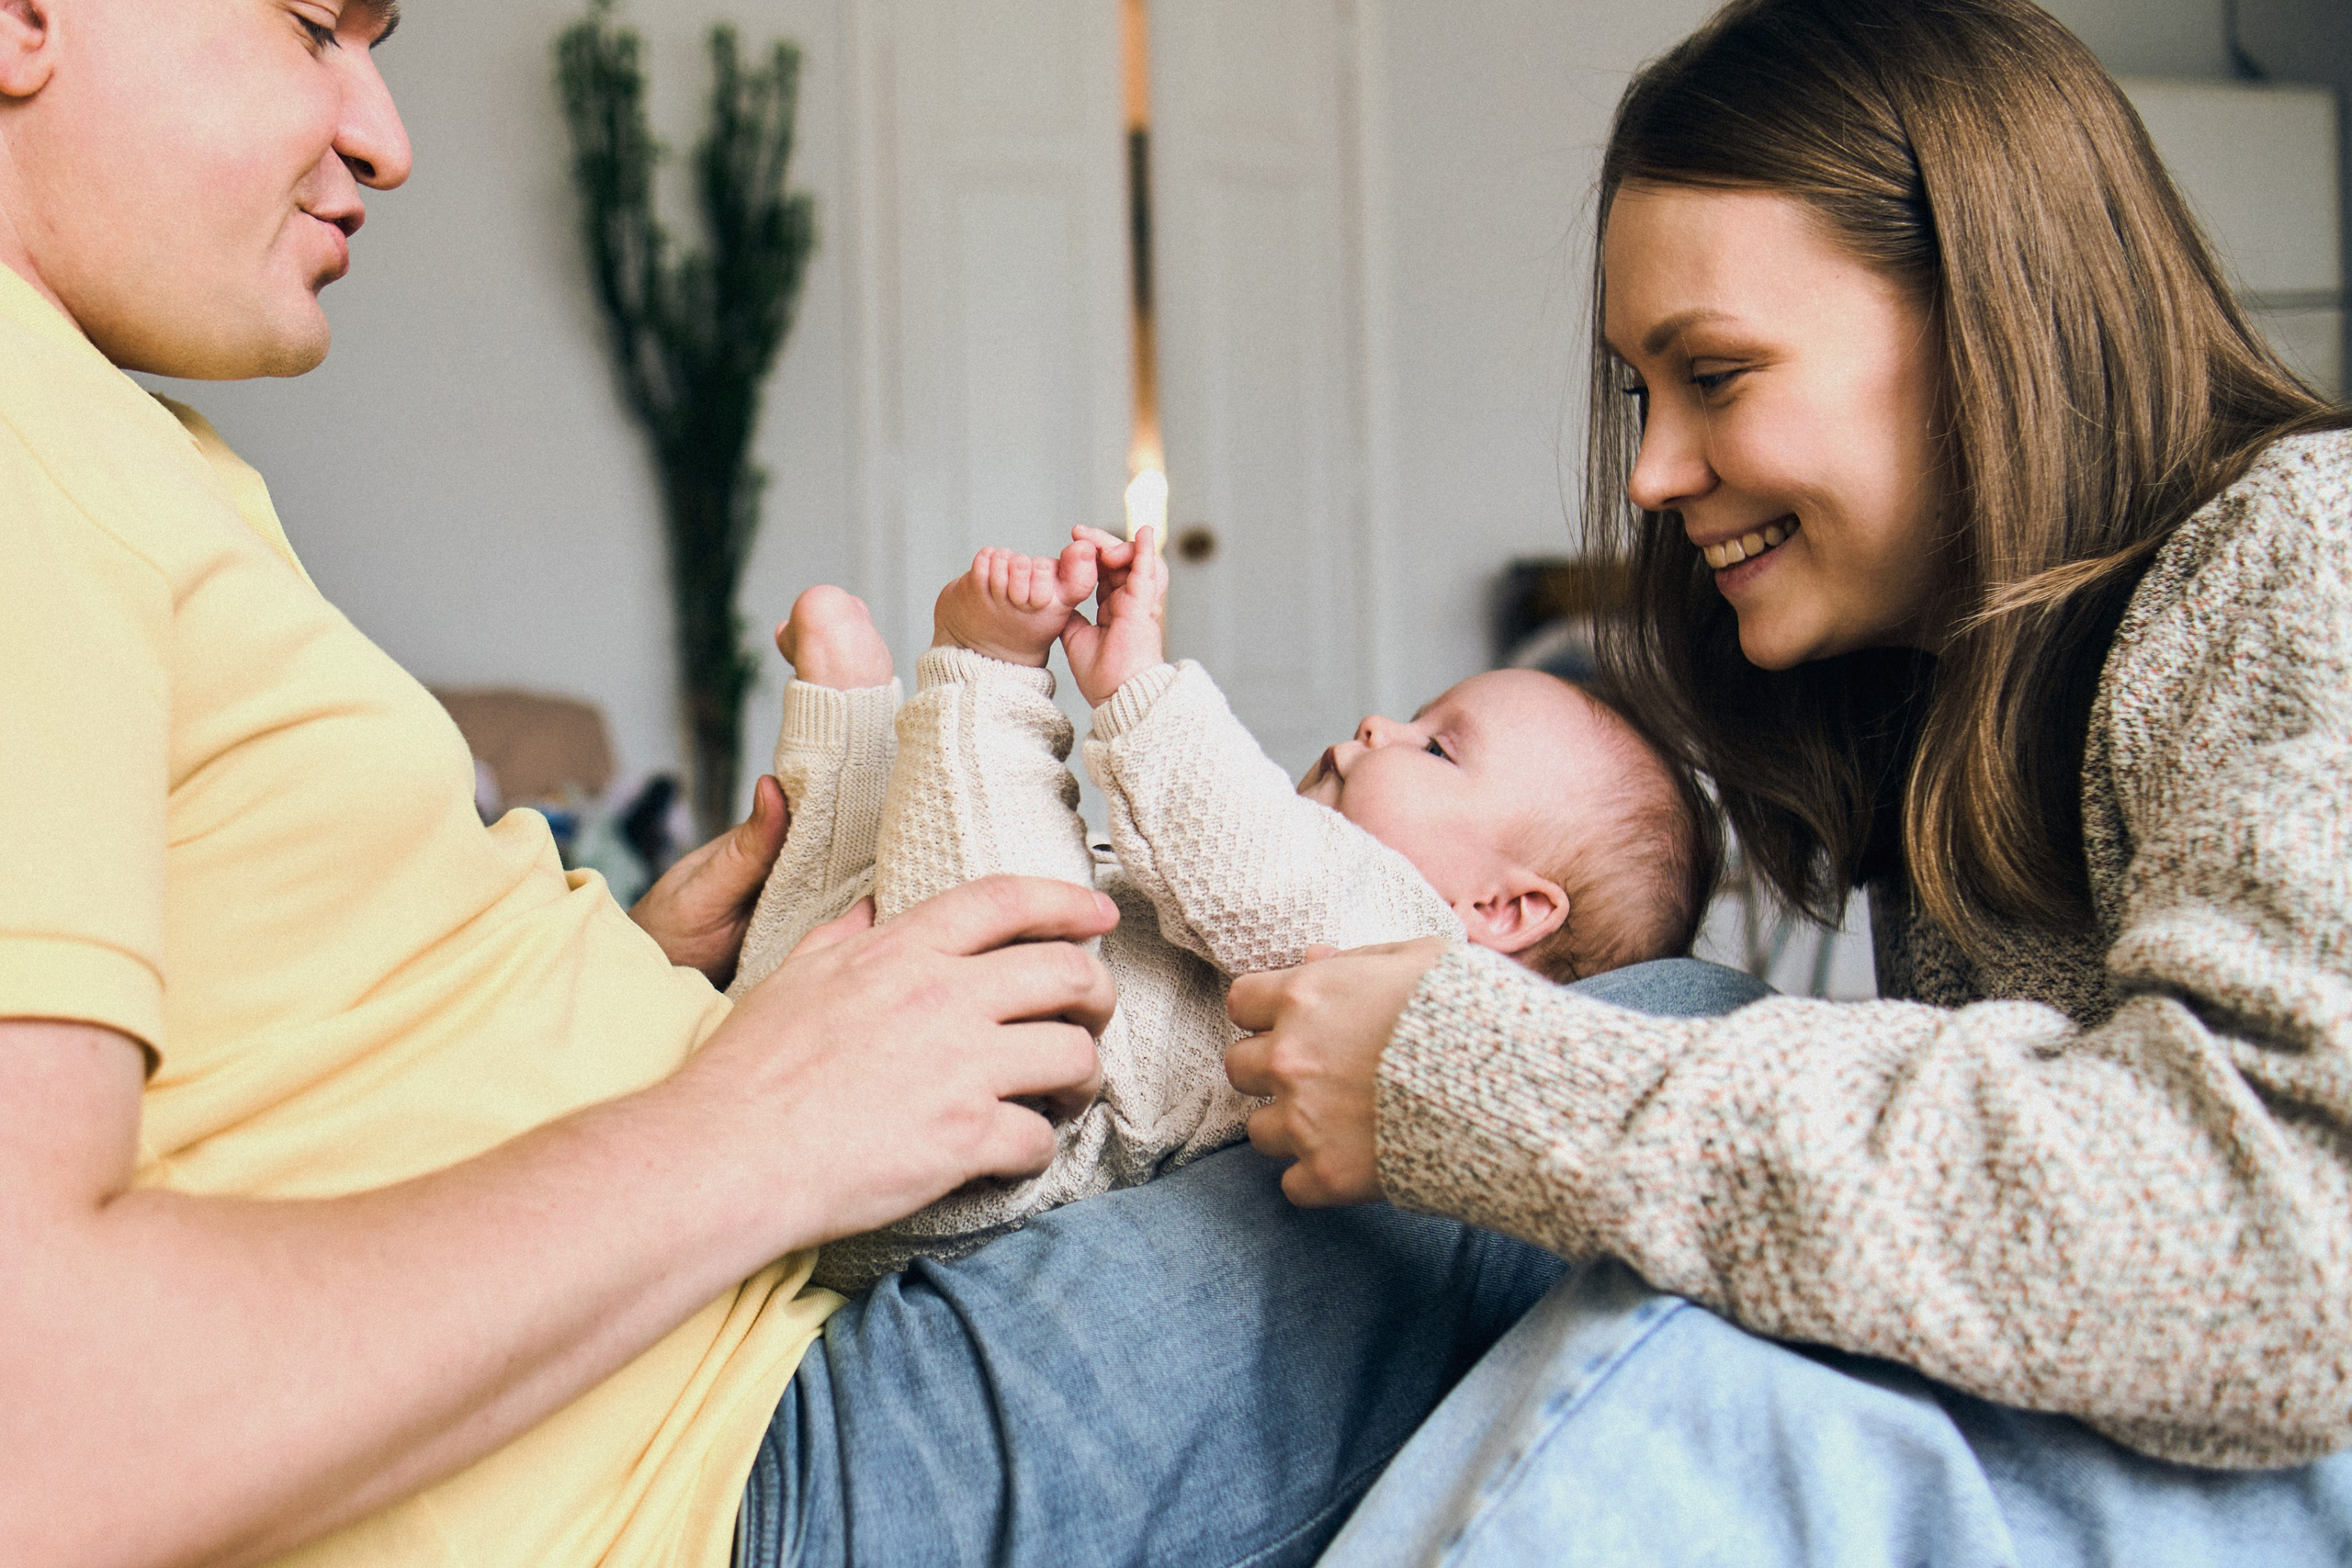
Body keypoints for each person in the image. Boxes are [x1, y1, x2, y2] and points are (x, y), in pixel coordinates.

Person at [0, 3, 1713, 1563]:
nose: (386, 131)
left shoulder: (131, 436)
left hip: (721, 1308)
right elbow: (49, 1434)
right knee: (1671, 1025)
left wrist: (614, 978)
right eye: (315, 28)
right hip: (713, 1465)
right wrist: (759, 1122)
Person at [1221, 1, 2352, 1562]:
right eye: (1641, 391)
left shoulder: (2309, 547)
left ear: (1986, 326)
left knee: (1727, 1374)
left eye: (1717, 374)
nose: (1654, 472)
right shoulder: (1944, 707)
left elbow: (2287, 1244)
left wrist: (1476, 1076)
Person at [731, 529, 1711, 1290]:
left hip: (994, 1142)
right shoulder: (1371, 900)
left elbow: (1248, 867)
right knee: (878, 877)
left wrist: (1136, 687)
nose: (1379, 724)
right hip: (834, 1072)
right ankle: (859, 740)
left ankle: (969, 679)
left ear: (1502, 909)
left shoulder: (1411, 945)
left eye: (1435, 748)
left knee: (1010, 901)